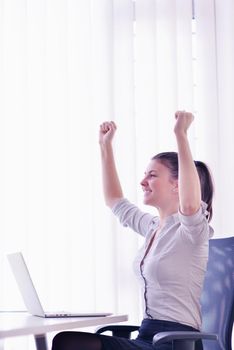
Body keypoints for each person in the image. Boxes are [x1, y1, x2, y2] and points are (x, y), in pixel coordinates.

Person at [52, 111, 214, 350]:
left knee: (70, 343)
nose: (143, 181)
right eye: (144, 174)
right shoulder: (152, 228)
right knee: (67, 340)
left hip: (175, 342)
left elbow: (190, 205)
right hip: (147, 336)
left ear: (177, 185)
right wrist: (104, 146)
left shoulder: (192, 232)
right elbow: (115, 201)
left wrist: (181, 134)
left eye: (152, 175)